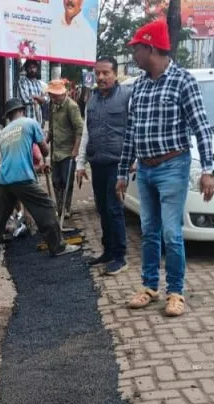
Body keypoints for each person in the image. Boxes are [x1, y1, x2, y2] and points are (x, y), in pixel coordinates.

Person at [115, 20, 214, 318]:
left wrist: (208, 169)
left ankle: (176, 291)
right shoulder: (140, 86)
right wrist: (123, 173)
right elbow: (131, 132)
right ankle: (149, 286)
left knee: (172, 233)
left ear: (151, 48)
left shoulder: (183, 81)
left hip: (173, 166)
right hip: (145, 170)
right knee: (149, 231)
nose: (133, 55)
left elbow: (202, 127)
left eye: (136, 49)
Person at [0, 97, 82, 266]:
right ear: (23, 110)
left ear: (8, 116)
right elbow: (44, 149)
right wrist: (43, 155)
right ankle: (57, 246)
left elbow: (13, 158)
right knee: (47, 207)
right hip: (22, 178)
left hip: (3, 180)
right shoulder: (30, 123)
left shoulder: (5, 132)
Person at [76, 56, 131, 276]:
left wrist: (131, 162)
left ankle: (120, 256)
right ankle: (108, 251)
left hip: (117, 163)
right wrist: (80, 163)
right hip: (97, 163)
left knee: (114, 209)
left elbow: (133, 130)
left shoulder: (127, 96)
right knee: (102, 209)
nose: (101, 77)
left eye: (106, 73)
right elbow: (86, 133)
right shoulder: (92, 100)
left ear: (115, 74)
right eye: (97, 73)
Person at [45, 79, 83, 222]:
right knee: (56, 181)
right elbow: (51, 129)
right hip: (56, 152)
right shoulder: (53, 106)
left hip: (68, 152)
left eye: (54, 95)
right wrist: (45, 141)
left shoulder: (71, 106)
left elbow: (79, 128)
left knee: (67, 181)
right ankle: (59, 208)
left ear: (62, 93)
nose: (52, 98)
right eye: (51, 95)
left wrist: (76, 149)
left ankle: (66, 209)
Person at [18, 60, 47, 125]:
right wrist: (40, 99)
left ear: (37, 69)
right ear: (26, 69)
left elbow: (46, 99)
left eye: (34, 67)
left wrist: (35, 97)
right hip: (26, 119)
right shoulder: (22, 82)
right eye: (30, 68)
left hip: (38, 119)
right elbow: (25, 99)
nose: (32, 70)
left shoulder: (39, 83)